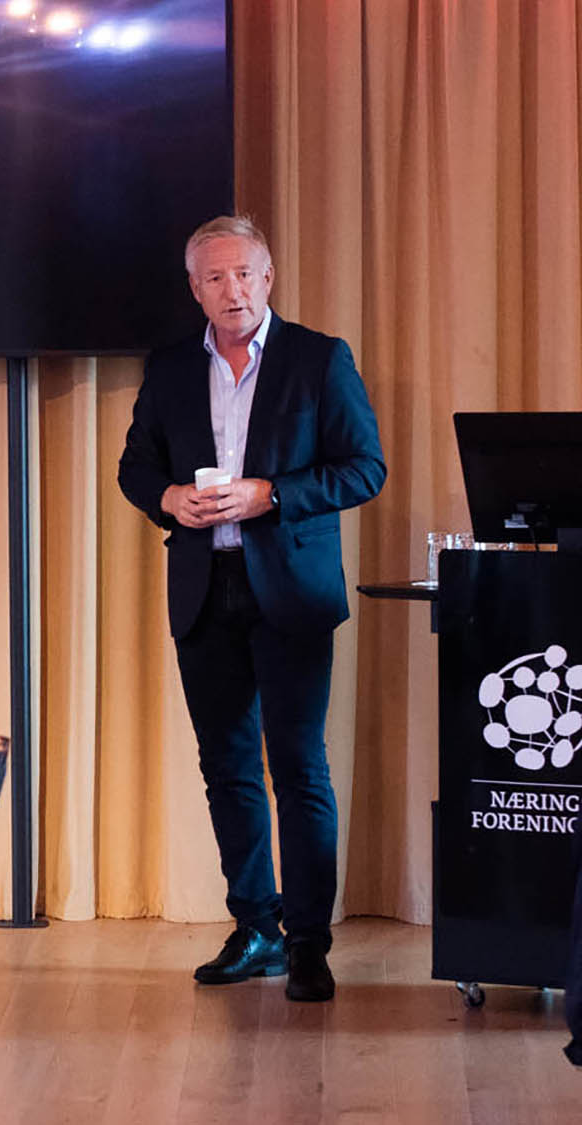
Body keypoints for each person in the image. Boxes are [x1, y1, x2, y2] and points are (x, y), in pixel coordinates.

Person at [117, 215, 386, 1003]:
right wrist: (169, 497)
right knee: (227, 768)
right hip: (205, 589)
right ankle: (256, 926)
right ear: (195, 289)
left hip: (291, 591)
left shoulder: (319, 358)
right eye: (215, 277)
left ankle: (307, 941)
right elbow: (136, 467)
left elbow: (365, 467)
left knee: (299, 768)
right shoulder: (171, 367)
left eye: (244, 273)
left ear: (268, 278)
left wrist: (273, 494)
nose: (231, 289)